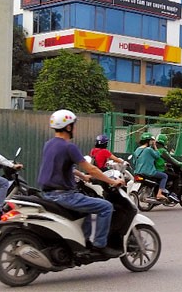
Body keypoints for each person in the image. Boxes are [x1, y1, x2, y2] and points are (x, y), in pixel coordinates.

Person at [37, 109, 125, 258]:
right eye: (74, 125)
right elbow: (92, 168)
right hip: (64, 195)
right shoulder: (68, 146)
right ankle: (99, 245)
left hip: (47, 193)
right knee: (105, 206)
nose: (74, 128)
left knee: (86, 207)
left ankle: (83, 243)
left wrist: (82, 176)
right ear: (68, 127)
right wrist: (112, 181)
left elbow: (63, 167)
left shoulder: (49, 144)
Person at [132, 132, 170, 201]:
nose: (152, 142)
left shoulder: (137, 150)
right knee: (164, 176)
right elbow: (157, 156)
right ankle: (159, 194)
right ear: (148, 141)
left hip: (137, 172)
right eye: (151, 140)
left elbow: (134, 162)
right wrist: (155, 146)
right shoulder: (149, 150)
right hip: (149, 172)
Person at [154, 134, 182, 202]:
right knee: (176, 177)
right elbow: (171, 159)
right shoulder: (162, 150)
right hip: (160, 170)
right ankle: (173, 194)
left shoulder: (154, 149)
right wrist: (180, 164)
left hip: (153, 169)